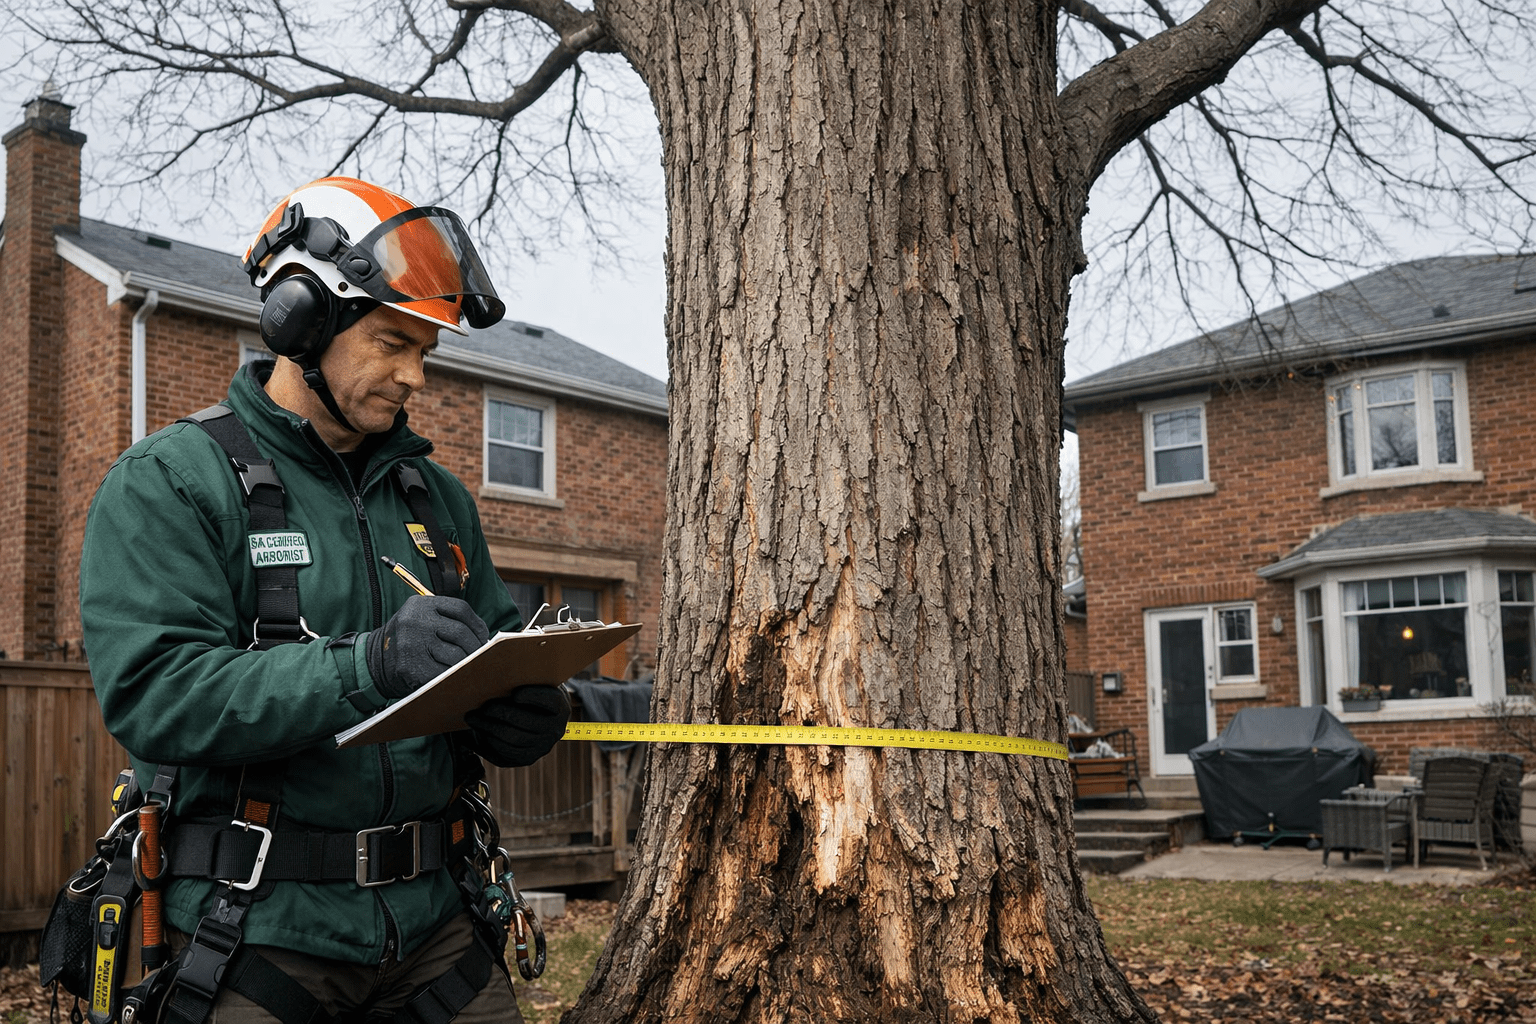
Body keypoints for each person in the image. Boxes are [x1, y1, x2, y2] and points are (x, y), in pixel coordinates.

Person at [78, 176, 570, 1023]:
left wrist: (521, 711)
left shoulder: (435, 498)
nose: (416, 375)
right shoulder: (172, 481)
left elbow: (489, 650)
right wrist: (367, 664)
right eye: (392, 342)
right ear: (299, 320)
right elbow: (156, 695)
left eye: (428, 350)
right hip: (256, 929)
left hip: (437, 926)